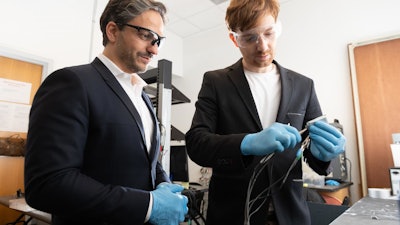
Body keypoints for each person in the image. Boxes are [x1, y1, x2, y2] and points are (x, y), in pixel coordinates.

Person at [24, 0, 188, 224]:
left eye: (158, 40)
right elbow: (48, 184)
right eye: (146, 35)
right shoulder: (72, 83)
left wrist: (163, 184)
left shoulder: (142, 96)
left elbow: (147, 161)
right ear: (113, 31)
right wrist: (149, 206)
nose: (154, 49)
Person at [185, 0, 346, 224]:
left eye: (269, 33)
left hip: (290, 214)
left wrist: (324, 154)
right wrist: (246, 143)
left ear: (277, 28)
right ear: (234, 39)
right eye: (250, 38)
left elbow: (313, 153)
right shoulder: (216, 82)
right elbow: (196, 144)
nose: (262, 46)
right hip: (233, 214)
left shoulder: (303, 85)